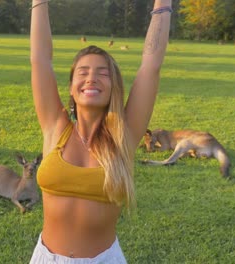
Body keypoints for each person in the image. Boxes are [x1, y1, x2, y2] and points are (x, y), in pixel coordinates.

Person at [29, 0, 172, 263]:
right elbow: (40, 59)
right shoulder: (55, 127)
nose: (91, 78)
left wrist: (163, 5)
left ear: (113, 86)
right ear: (71, 87)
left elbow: (151, 64)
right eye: (83, 72)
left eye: (102, 73)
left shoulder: (124, 136)